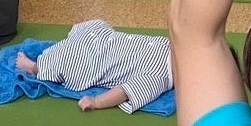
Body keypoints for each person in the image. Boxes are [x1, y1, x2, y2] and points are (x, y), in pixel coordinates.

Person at [15, 18, 173, 113]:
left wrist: (96, 101)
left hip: (92, 62)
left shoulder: (159, 77)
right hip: (103, 38)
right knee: (98, 23)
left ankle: (33, 67)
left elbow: (123, 92)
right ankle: (73, 39)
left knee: (65, 63)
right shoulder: (170, 45)